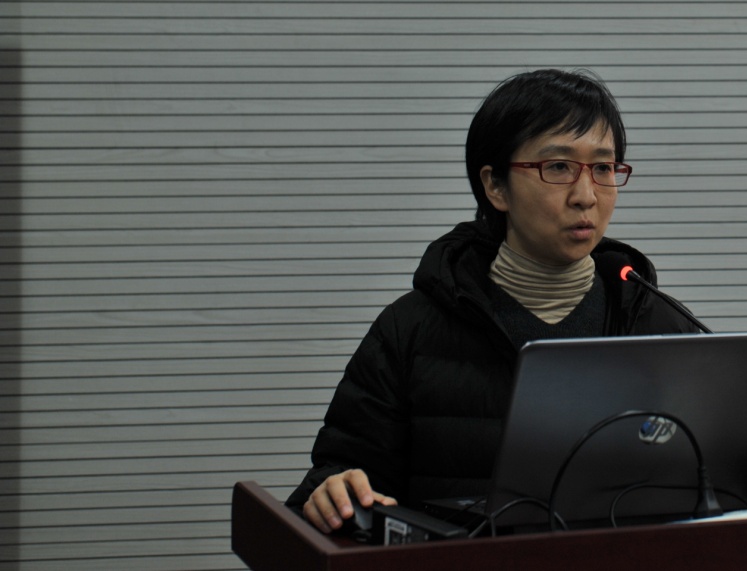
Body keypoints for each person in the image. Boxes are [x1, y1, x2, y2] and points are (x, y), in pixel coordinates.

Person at [286, 68, 698, 533]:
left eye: (603, 168)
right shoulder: (410, 332)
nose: (586, 196)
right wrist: (334, 491)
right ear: (496, 186)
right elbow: (337, 482)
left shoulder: (660, 325)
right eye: (558, 167)